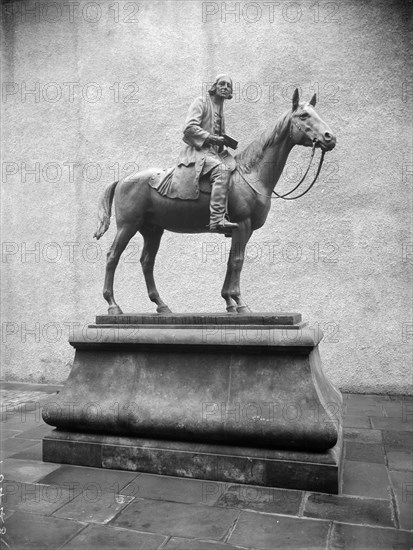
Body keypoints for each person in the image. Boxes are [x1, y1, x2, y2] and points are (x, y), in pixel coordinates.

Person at [173, 74, 238, 233]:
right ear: (214, 87)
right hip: (198, 152)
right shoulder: (201, 102)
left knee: (238, 169)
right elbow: (189, 129)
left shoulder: (220, 110)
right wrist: (212, 138)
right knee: (222, 171)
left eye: (228, 86)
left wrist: (224, 141)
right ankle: (216, 220)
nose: (225, 87)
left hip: (215, 154)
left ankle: (231, 214)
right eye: (221, 84)